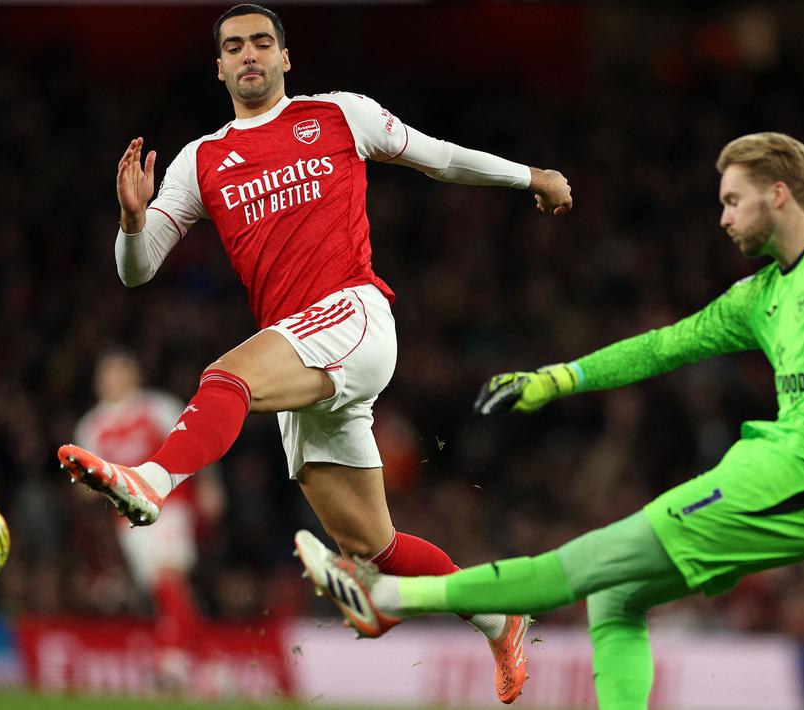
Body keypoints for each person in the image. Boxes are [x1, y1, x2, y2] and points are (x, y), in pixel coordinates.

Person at [293, 132, 804, 709]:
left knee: (592, 559)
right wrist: (555, 379)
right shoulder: (761, 293)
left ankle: (392, 598)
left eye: (733, 201)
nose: (724, 218)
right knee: (615, 598)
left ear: (780, 193)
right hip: (781, 473)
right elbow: (661, 346)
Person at [55, 4, 571, 702]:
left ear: (285, 57)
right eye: (233, 46)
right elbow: (136, 270)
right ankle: (496, 617)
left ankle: (152, 480)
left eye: (261, 43)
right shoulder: (201, 161)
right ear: (218, 66)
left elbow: (438, 157)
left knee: (222, 376)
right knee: (372, 546)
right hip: (299, 355)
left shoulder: (338, 115)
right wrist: (130, 219)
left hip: (353, 316)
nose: (248, 56)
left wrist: (528, 174)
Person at [72, 349, 243, 696]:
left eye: (119, 370)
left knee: (168, 575)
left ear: (134, 375)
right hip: (128, 522)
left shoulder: (156, 407)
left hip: (171, 504)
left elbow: (198, 440)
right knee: (167, 587)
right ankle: (210, 665)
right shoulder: (93, 425)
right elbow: (85, 488)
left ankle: (171, 659)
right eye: (106, 373)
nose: (112, 379)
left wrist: (211, 486)